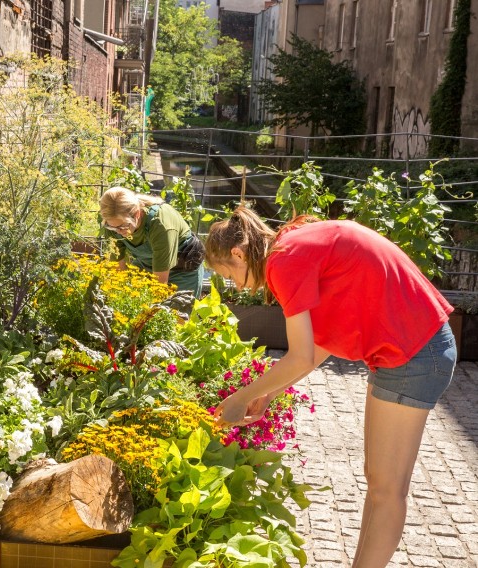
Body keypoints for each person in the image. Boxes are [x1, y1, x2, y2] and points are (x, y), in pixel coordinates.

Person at [206, 207, 456, 568]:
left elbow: (302, 356)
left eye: (227, 274)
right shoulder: (295, 243)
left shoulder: (283, 262)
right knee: (378, 484)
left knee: (388, 490)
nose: (232, 284)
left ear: (238, 254)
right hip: (406, 349)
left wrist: (240, 397)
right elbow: (325, 338)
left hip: (414, 352)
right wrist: (269, 392)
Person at [99, 186, 205, 295]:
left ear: (137, 214)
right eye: (113, 227)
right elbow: (118, 271)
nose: (118, 231)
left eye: (123, 227)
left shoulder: (160, 225)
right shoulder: (112, 225)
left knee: (175, 309)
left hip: (182, 271)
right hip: (147, 265)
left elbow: (160, 286)